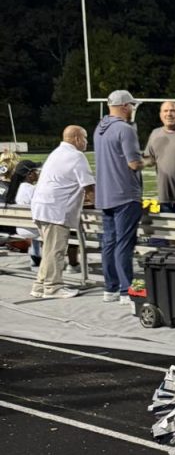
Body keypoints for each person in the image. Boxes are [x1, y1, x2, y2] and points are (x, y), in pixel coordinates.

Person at [29, 127, 94, 299]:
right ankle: (53, 287)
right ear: (77, 138)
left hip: (42, 207)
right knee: (56, 250)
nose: (87, 142)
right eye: (85, 138)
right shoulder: (76, 156)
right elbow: (89, 187)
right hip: (55, 210)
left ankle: (40, 284)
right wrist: (100, 204)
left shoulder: (56, 153)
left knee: (49, 249)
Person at [94, 89, 144, 305]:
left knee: (109, 243)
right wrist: (151, 161)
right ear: (124, 106)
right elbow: (134, 163)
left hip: (105, 194)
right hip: (124, 194)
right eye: (131, 105)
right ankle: (126, 290)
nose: (132, 109)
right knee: (124, 244)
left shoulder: (99, 129)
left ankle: (111, 288)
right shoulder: (124, 129)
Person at [143, 101, 175, 213]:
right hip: (164, 199)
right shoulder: (155, 134)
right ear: (161, 114)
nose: (169, 114)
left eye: (173, 111)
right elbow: (149, 160)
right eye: (165, 111)